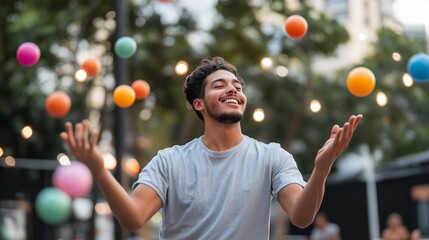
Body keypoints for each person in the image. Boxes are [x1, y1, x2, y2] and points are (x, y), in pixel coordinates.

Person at [60, 57, 362, 239]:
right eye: (220, 85)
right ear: (199, 104)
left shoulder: (272, 157)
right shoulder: (169, 161)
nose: (233, 89)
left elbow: (301, 216)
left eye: (237, 86)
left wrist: (322, 167)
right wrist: (99, 170)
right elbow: (133, 218)